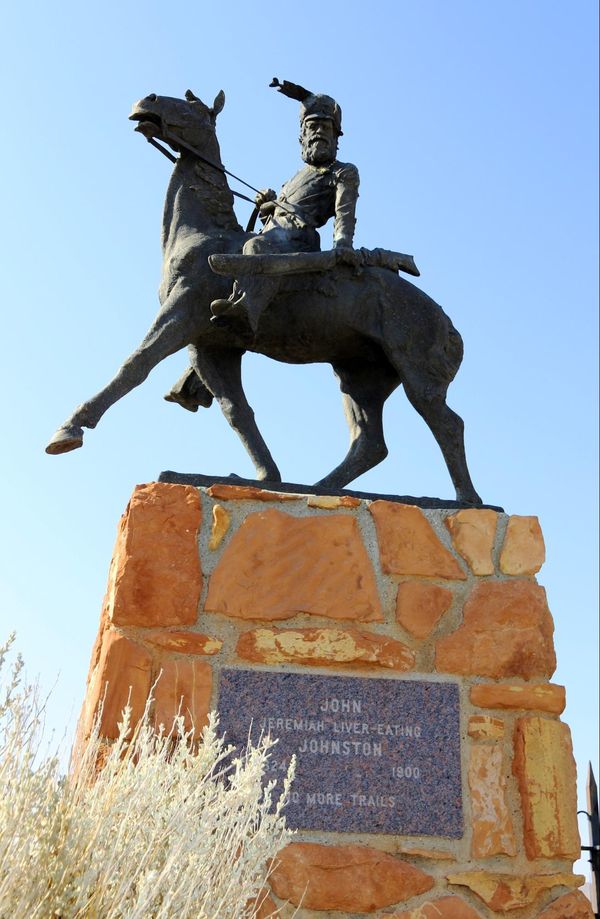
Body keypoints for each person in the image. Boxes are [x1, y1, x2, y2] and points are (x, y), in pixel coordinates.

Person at [210, 79, 360, 331]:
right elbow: (278, 217)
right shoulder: (292, 179)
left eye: (326, 127)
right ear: (302, 135)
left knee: (255, 246)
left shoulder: (343, 172)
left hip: (300, 241)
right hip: (276, 237)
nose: (320, 132)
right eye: (313, 126)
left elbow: (344, 210)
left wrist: (342, 244)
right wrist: (268, 205)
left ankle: (247, 311)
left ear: (336, 137)